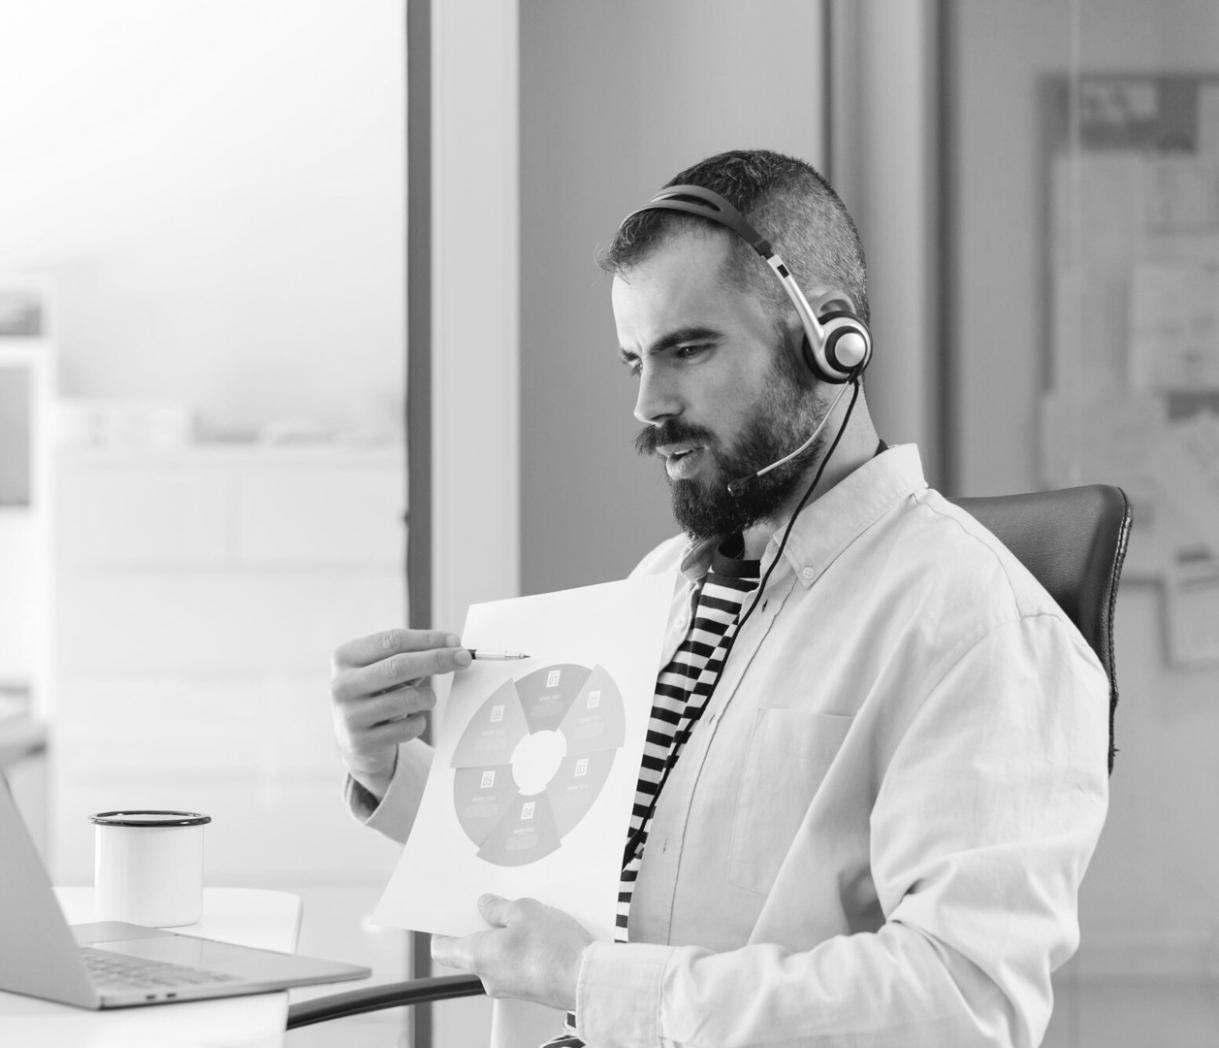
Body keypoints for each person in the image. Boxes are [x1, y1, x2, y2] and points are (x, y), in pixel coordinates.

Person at [328, 149, 1109, 1048]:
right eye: (634, 361)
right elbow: (556, 872)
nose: (648, 404)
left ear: (830, 338)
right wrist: (387, 766)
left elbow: (963, 1004)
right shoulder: (665, 585)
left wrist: (592, 983)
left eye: (688, 349)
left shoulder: (979, 626)